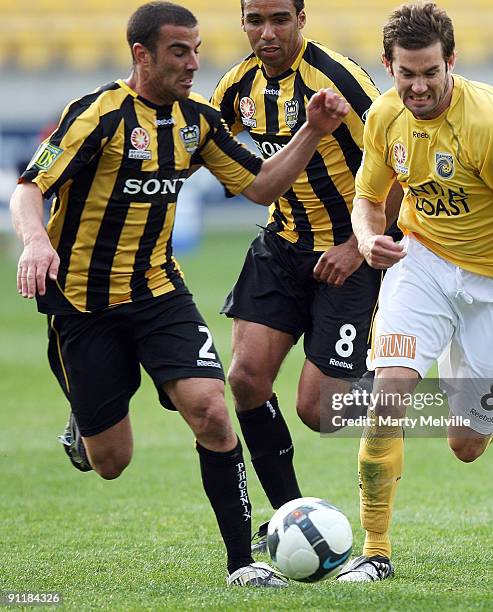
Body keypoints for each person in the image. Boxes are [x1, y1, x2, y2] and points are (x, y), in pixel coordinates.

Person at [10, 1, 351, 588]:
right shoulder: (97, 115)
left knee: (214, 412)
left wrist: (313, 131)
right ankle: (83, 425)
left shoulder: (199, 122)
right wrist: (36, 242)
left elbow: (263, 186)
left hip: (160, 295)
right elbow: (28, 187)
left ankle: (243, 563)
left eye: (196, 49)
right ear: (141, 54)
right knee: (110, 462)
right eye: (179, 51)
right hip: (83, 305)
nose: (194, 62)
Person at [336, 2, 493, 582]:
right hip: (423, 261)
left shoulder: (489, 125)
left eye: (430, 72)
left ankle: (475, 383)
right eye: (406, 73)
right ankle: (375, 552)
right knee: (388, 393)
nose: (418, 85)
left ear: (450, 62)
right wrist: (366, 239)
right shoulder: (384, 116)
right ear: (388, 66)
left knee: (465, 444)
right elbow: (368, 198)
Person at [211, 0, 402, 552]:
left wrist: (356, 245)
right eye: (255, 21)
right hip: (281, 247)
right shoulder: (234, 88)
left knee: (319, 410)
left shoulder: (339, 78)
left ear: (302, 19)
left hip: (349, 257)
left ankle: (395, 383)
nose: (266, 33)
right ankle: (289, 514)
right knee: (245, 379)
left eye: (279, 20)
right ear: (243, 22)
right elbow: (204, 143)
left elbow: (399, 160)